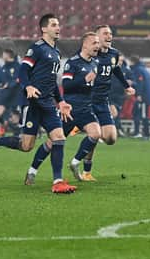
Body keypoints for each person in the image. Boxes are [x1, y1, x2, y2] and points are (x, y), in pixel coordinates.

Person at [0, 14, 76, 194]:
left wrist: (61, 101)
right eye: (54, 25)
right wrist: (28, 86)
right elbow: (22, 71)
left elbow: (52, 81)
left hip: (48, 103)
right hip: (32, 103)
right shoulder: (37, 48)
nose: (58, 27)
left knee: (59, 138)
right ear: (44, 29)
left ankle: (58, 181)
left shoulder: (56, 52)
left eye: (58, 25)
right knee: (26, 146)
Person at [24, 32, 102, 183]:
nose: (97, 46)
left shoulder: (95, 63)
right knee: (52, 143)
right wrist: (84, 79)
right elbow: (66, 85)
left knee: (95, 133)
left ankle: (74, 163)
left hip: (85, 109)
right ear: (85, 44)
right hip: (70, 111)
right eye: (94, 43)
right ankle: (32, 170)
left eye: (98, 43)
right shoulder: (72, 63)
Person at [78, 26, 135, 180]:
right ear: (96, 37)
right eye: (105, 33)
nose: (109, 36)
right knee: (95, 135)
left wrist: (126, 86)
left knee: (110, 138)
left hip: (102, 100)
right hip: (87, 100)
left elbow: (116, 70)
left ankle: (84, 132)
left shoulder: (114, 54)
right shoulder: (88, 54)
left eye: (110, 33)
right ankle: (86, 171)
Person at [130, 55, 150, 140]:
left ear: (132, 61)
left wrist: (139, 95)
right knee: (137, 113)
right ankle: (138, 132)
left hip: (143, 97)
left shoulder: (138, 70)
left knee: (143, 115)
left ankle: (146, 135)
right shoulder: (143, 69)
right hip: (146, 96)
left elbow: (140, 83)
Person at [109, 54, 132, 137]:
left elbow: (133, 80)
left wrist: (131, 82)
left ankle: (116, 130)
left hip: (120, 96)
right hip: (109, 96)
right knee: (113, 113)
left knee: (116, 114)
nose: (120, 62)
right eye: (119, 60)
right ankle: (112, 130)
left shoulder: (125, 70)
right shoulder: (108, 69)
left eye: (122, 60)